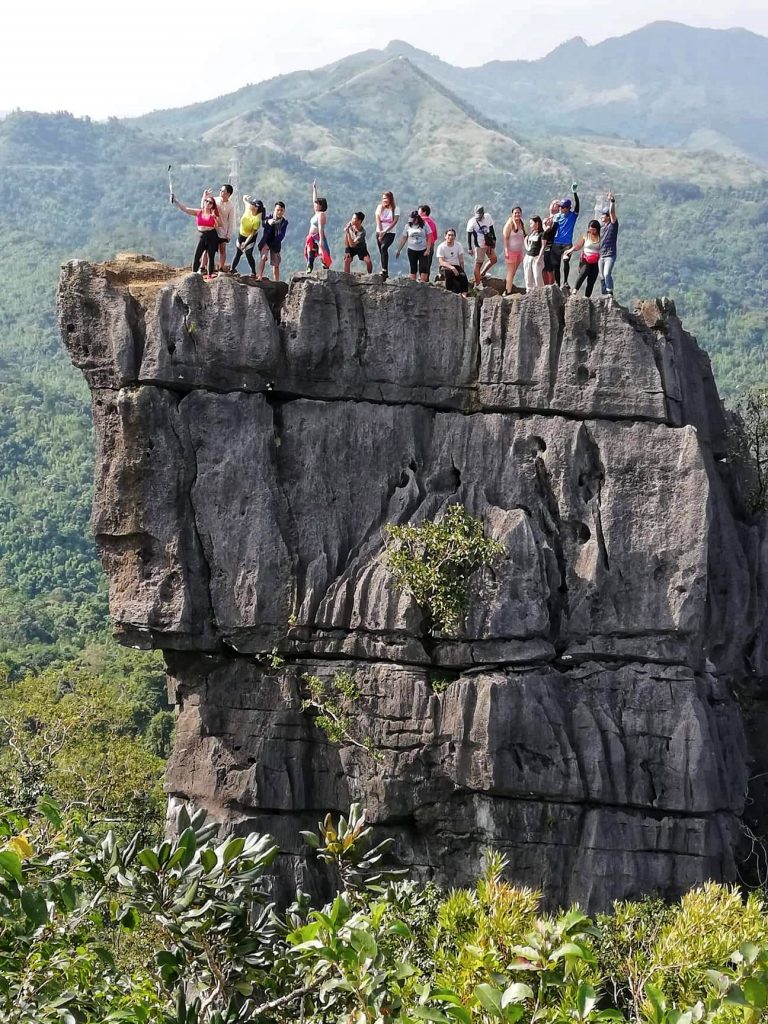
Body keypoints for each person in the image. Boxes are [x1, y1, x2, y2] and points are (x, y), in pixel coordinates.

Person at [171, 189, 222, 280]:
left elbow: (219, 225)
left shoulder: (213, 214)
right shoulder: (199, 212)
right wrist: (175, 201)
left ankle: (209, 275)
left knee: (211, 256)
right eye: (206, 201)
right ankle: (194, 274)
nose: (208, 203)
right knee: (197, 255)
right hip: (202, 235)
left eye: (210, 203)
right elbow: (185, 209)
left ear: (212, 205)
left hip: (212, 235)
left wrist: (215, 217)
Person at [549, 184, 580, 289]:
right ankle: (557, 284)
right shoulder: (557, 216)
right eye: (560, 206)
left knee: (566, 260)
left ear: (567, 208)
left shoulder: (572, 216)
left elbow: (578, 207)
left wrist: (575, 193)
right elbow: (554, 230)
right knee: (556, 266)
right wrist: (549, 242)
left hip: (567, 244)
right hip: (557, 243)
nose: (560, 208)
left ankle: (565, 282)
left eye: (562, 207)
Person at [564, 219, 602, 297]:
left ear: (597, 229)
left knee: (592, 279)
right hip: (585, 259)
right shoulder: (586, 235)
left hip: (595, 261)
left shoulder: (601, 238)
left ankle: (587, 297)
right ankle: (574, 291)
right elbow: (578, 246)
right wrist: (570, 250)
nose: (592, 232)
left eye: (594, 230)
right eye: (590, 230)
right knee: (584, 272)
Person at [231, 196, 264, 276]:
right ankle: (232, 269)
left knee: (248, 253)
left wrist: (245, 243)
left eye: (254, 205)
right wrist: (245, 198)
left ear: (257, 208)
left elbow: (252, 234)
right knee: (238, 252)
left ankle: (253, 272)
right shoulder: (248, 208)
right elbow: (245, 201)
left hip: (250, 237)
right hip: (241, 234)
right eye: (252, 203)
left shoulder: (256, 220)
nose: (252, 205)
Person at [395, 210, 432, 283]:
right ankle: (413, 284)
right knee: (413, 268)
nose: (413, 221)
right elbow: (404, 238)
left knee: (423, 268)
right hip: (412, 250)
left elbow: (429, 237)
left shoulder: (425, 225)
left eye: (414, 219)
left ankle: (423, 283)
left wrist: (428, 249)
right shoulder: (407, 226)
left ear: (418, 218)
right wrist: (399, 250)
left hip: (423, 250)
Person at [257, 201, 288, 282]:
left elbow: (282, 235)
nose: (279, 212)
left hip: (275, 243)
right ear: (275, 210)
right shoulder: (270, 216)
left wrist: (274, 243)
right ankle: (259, 276)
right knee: (263, 257)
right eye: (278, 210)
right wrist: (268, 222)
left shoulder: (284, 222)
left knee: (276, 264)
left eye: (281, 210)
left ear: (284, 211)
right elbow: (263, 223)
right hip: (266, 240)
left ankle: (276, 281)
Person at [466, 205, 497, 285]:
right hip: (479, 245)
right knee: (478, 264)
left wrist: (494, 240)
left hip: (488, 244)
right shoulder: (472, 222)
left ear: (483, 214)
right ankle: (478, 284)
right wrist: (470, 248)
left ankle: (483, 273)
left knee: (493, 259)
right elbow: (469, 235)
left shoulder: (488, 217)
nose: (478, 218)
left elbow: (491, 228)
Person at [305, 180, 332, 271]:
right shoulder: (316, 213)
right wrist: (314, 189)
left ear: (321, 206)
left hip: (318, 235)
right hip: (312, 236)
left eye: (317, 204)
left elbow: (321, 227)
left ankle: (325, 265)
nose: (315, 205)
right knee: (310, 249)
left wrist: (320, 240)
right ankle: (310, 265)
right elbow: (314, 201)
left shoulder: (321, 214)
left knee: (322, 251)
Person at [375, 191, 400, 280]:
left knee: (384, 247)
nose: (385, 200)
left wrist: (385, 231)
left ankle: (385, 269)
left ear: (390, 199)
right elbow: (377, 219)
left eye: (386, 198)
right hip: (379, 232)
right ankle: (384, 271)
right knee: (381, 251)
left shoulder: (395, 209)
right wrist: (381, 231)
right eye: (383, 198)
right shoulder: (379, 207)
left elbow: (395, 221)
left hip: (390, 233)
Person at [436, 228, 469, 295]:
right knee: (448, 274)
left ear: (455, 236)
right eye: (449, 235)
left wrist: (462, 271)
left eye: (452, 235)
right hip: (445, 266)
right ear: (445, 236)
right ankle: (449, 293)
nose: (450, 237)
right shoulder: (441, 247)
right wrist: (452, 268)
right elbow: (441, 261)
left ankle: (464, 295)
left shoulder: (458, 245)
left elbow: (461, 260)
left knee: (463, 277)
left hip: (456, 265)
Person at [502, 206, 526, 293]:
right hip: (511, 252)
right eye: (515, 213)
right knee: (511, 272)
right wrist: (506, 251)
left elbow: (524, 236)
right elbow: (505, 238)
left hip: (519, 252)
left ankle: (508, 285)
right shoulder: (509, 224)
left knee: (513, 272)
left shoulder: (521, 223)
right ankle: (507, 291)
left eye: (519, 212)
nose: (517, 214)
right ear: (512, 214)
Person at [599, 192, 619, 296]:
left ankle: (610, 292)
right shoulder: (601, 229)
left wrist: (612, 201)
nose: (602, 216)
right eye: (602, 215)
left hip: (610, 255)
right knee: (601, 276)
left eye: (604, 215)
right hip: (601, 255)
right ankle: (604, 294)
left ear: (608, 217)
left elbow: (612, 213)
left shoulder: (613, 225)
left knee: (607, 274)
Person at [214, 183, 236, 272]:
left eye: (223, 191)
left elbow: (231, 221)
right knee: (209, 249)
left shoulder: (231, 205)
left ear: (228, 194)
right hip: (213, 229)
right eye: (220, 190)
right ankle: (206, 267)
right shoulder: (215, 200)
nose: (220, 192)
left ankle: (220, 268)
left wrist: (229, 235)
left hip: (223, 231)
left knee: (222, 249)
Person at [522, 216, 545, 292]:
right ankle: (528, 292)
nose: (530, 225)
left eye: (531, 223)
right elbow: (527, 243)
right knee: (528, 276)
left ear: (537, 223)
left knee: (537, 276)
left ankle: (540, 292)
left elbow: (543, 246)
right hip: (528, 256)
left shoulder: (542, 234)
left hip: (536, 257)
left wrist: (539, 258)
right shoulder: (531, 233)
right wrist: (526, 245)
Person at [541, 201, 560, 286]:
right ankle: (546, 284)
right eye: (552, 204)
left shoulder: (558, 220)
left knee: (552, 266)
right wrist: (547, 226)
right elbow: (545, 230)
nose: (553, 206)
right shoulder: (546, 219)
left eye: (556, 205)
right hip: (545, 245)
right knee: (545, 265)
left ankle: (552, 284)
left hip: (554, 245)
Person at [419, 204, 438, 277]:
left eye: (419, 211)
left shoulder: (418, 221)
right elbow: (435, 236)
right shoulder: (432, 222)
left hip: (419, 244)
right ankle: (426, 280)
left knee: (419, 262)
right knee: (427, 263)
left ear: (424, 212)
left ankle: (419, 279)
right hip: (430, 244)